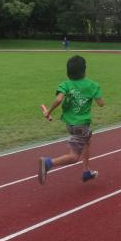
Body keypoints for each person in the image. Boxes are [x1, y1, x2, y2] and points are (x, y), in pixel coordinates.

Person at [39, 55, 104, 184]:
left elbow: (59, 99)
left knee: (87, 140)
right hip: (82, 125)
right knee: (74, 156)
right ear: (84, 70)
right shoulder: (92, 85)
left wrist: (48, 112)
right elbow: (101, 103)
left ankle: (86, 171)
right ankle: (48, 163)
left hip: (70, 124)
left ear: (68, 72)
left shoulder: (65, 84)